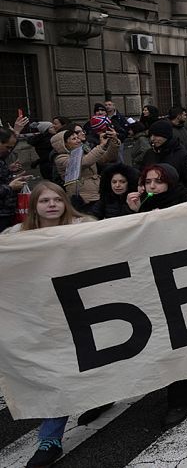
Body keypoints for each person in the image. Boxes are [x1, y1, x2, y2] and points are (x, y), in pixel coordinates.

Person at [3, 182, 95, 467]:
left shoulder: (87, 228)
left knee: (96, 363)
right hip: (43, 318)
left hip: (86, 310)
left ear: (66, 203)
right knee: (58, 373)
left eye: (57, 199)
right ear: (34, 207)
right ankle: (50, 439)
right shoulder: (14, 240)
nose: (52, 205)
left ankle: (101, 395)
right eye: (45, 201)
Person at [124, 163, 187, 428]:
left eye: (159, 181)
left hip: (179, 282)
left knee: (179, 337)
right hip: (148, 281)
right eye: (148, 181)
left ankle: (180, 398)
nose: (153, 186)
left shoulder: (184, 204)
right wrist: (135, 214)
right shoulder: (142, 205)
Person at [51, 123, 120, 209]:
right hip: (82, 196)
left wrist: (113, 141)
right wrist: (101, 146)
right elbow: (84, 162)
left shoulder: (84, 150)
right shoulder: (61, 158)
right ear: (64, 144)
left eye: (77, 137)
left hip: (97, 190)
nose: (79, 140)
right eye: (74, 139)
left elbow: (106, 158)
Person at [144, 120, 187, 200]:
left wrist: (180, 197)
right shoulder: (149, 154)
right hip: (151, 200)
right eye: (151, 136)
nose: (152, 139)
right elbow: (142, 174)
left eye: (156, 135)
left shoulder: (183, 155)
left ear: (166, 136)